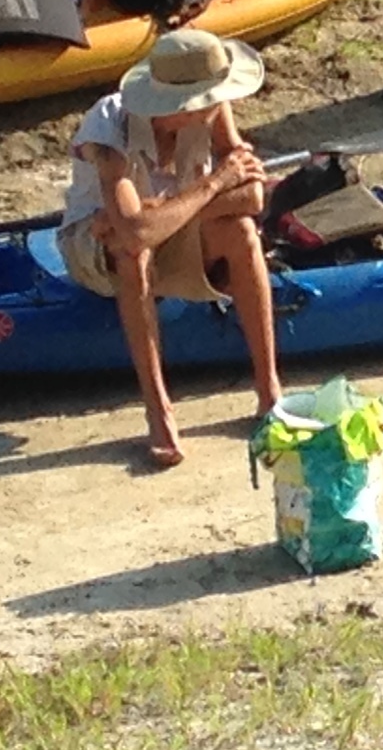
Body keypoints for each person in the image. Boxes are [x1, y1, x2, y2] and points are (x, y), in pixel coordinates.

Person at [61, 27, 283, 468]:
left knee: (239, 230)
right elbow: (135, 237)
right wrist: (216, 183)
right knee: (132, 254)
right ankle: (159, 408)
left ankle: (269, 390)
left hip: (163, 229)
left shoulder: (215, 111)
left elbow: (252, 199)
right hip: (93, 245)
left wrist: (160, 212)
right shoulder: (109, 131)